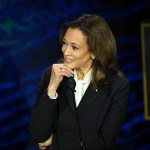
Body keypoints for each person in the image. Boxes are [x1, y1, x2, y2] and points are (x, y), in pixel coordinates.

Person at [29, 14, 130, 150]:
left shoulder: (117, 86)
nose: (65, 51)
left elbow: (103, 143)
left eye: (74, 47)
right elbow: (38, 134)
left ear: (95, 52)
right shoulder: (50, 75)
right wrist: (52, 89)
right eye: (65, 43)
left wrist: (56, 140)